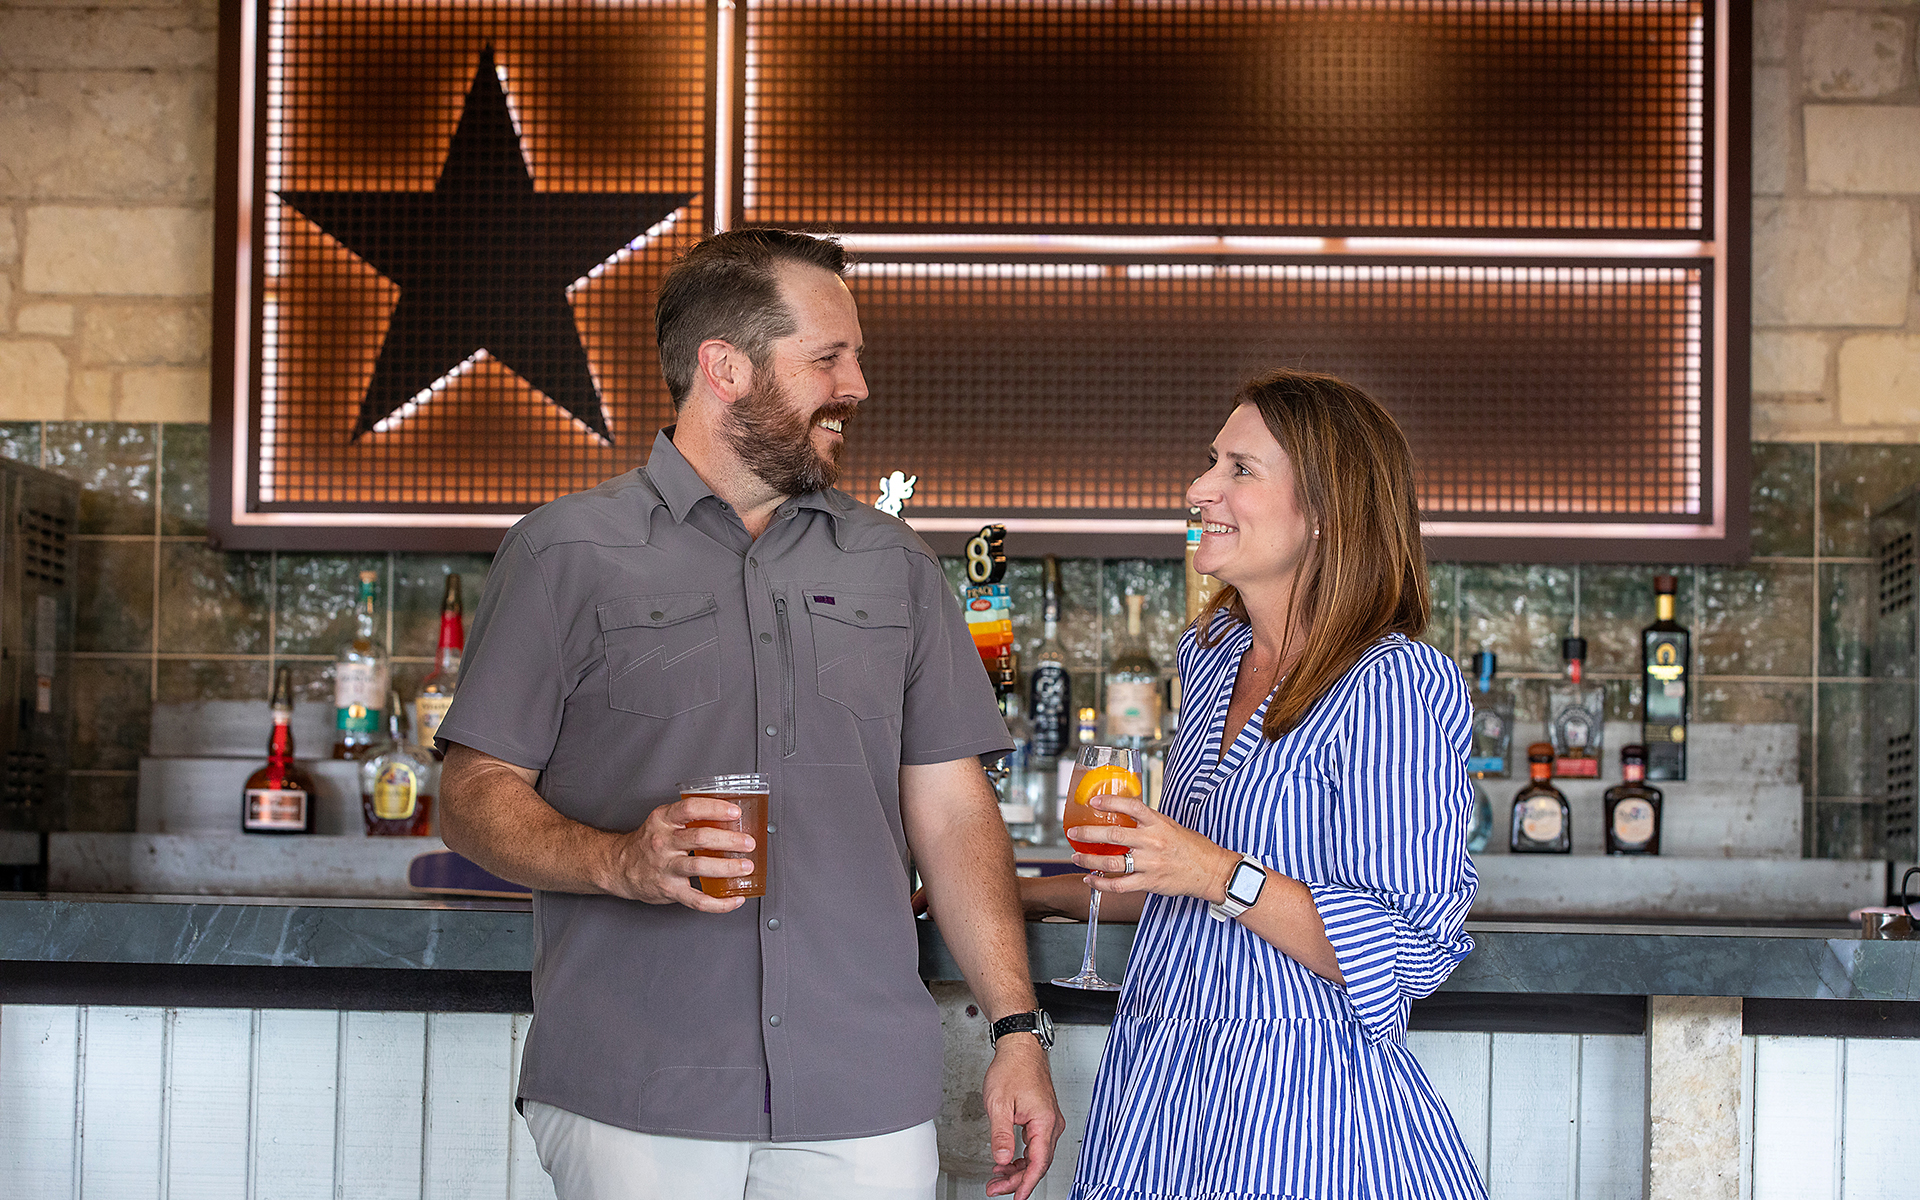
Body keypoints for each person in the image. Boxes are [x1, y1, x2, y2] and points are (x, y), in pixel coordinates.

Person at [436, 229, 1062, 1200]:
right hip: (636, 1086)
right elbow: (472, 793)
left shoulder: (895, 566)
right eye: (827, 358)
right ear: (724, 368)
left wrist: (1016, 1030)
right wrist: (618, 860)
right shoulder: (564, 554)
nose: (856, 385)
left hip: (862, 1093)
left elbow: (952, 810)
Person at [1026, 368, 1486, 1199]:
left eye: (1239, 468)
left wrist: (1213, 871)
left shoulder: (1392, 684)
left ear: (1327, 512)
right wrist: (1017, 894)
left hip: (1303, 1117)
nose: (1200, 488)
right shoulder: (1213, 659)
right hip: (1164, 1093)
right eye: (1211, 461)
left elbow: (1408, 947)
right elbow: (1176, 883)